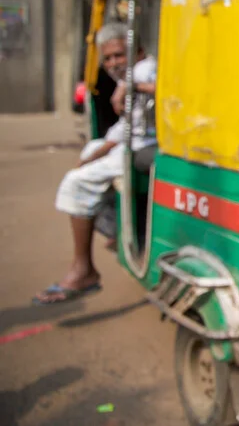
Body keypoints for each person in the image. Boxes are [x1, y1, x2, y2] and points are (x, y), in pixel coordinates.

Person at [33, 23, 157, 305]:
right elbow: (125, 127)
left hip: (148, 147)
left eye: (119, 56)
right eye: (108, 58)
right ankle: (120, 232)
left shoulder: (143, 70)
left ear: (137, 51)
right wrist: (91, 156)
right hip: (135, 142)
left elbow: (167, 88)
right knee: (89, 155)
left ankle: (83, 269)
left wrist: (129, 86)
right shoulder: (132, 75)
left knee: (76, 182)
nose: (113, 64)